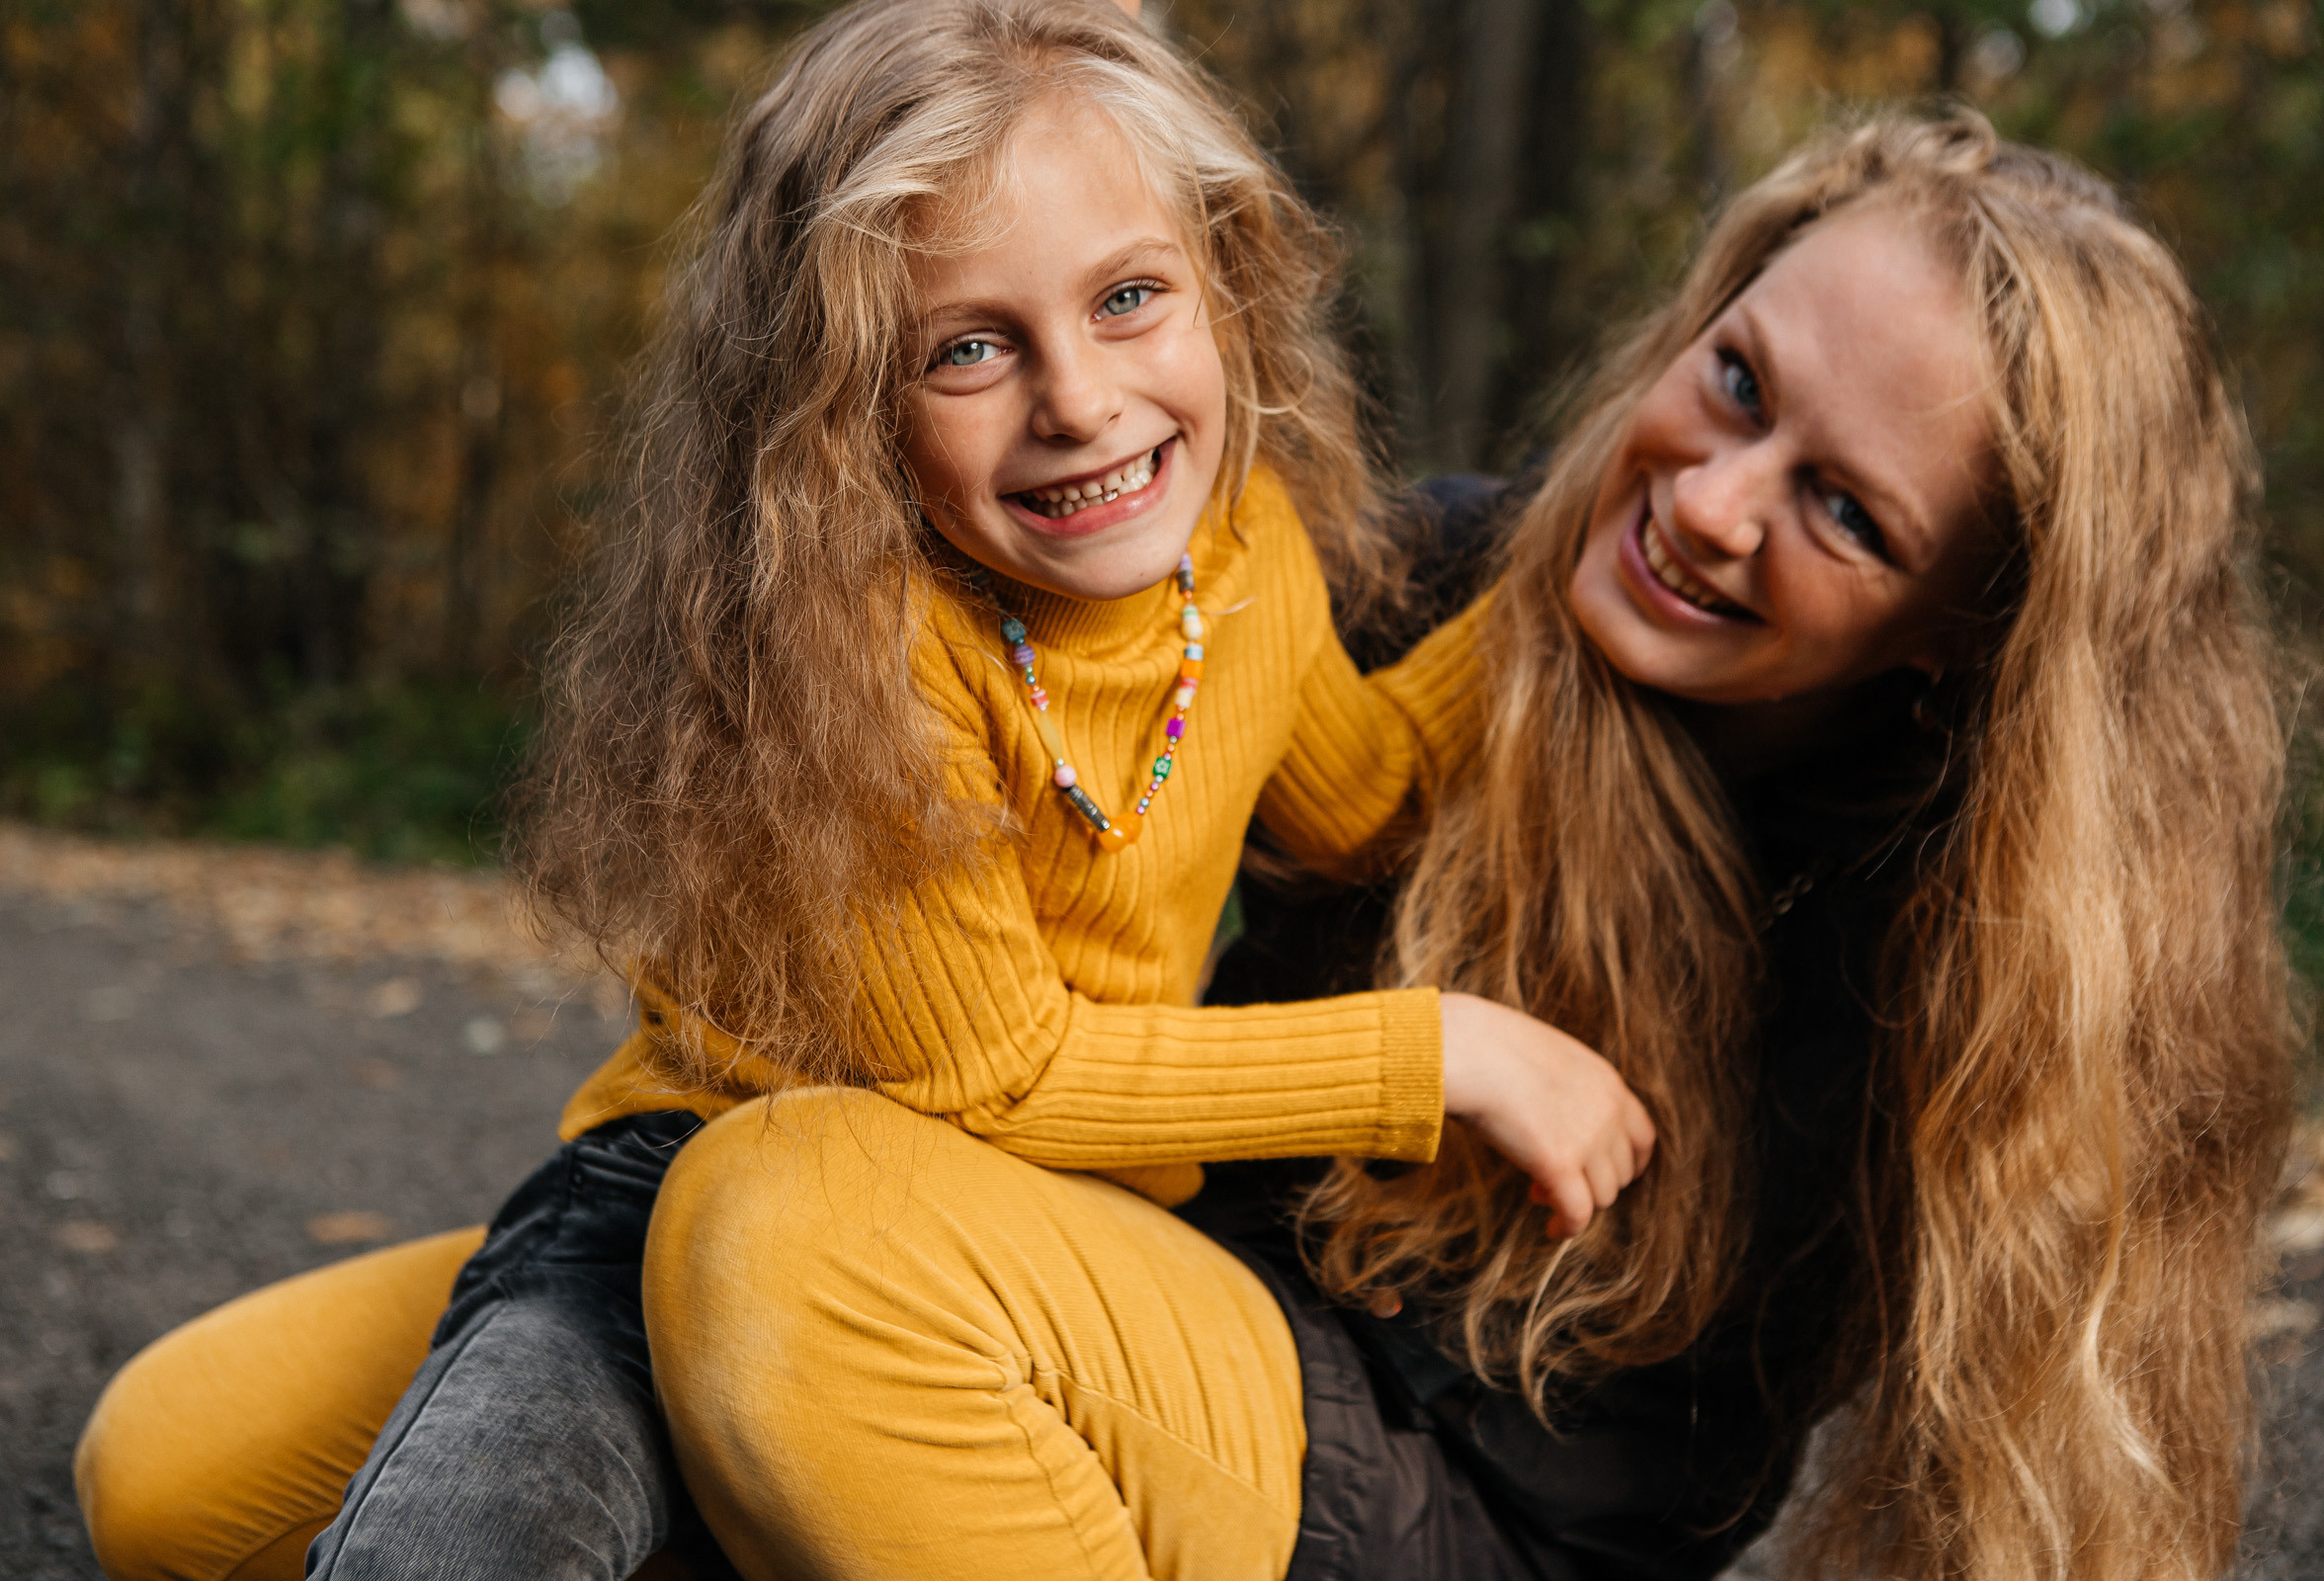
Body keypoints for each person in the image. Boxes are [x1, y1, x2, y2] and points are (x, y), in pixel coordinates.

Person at [72, 3, 1654, 1577]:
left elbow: (1363, 793)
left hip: (970, 1265)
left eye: (1129, 298)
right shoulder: (861, 640)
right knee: (170, 1488)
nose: (1082, 400)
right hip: (670, 1203)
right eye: (969, 346)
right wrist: (1435, 1052)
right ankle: (717, 1474)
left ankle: (757, 1476)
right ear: (840, 406)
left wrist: (1576, 580)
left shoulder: (1248, 563)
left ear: (1225, 293)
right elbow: (1008, 1078)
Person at [636, 112, 2295, 1581]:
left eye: (1847, 514)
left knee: (788, 1237)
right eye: (1735, 385)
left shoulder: (1976, 917)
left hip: (1470, 1515)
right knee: (527, 1341)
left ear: (1968, 631)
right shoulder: (1430, 581)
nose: (1714, 503)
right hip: (1148, 1304)